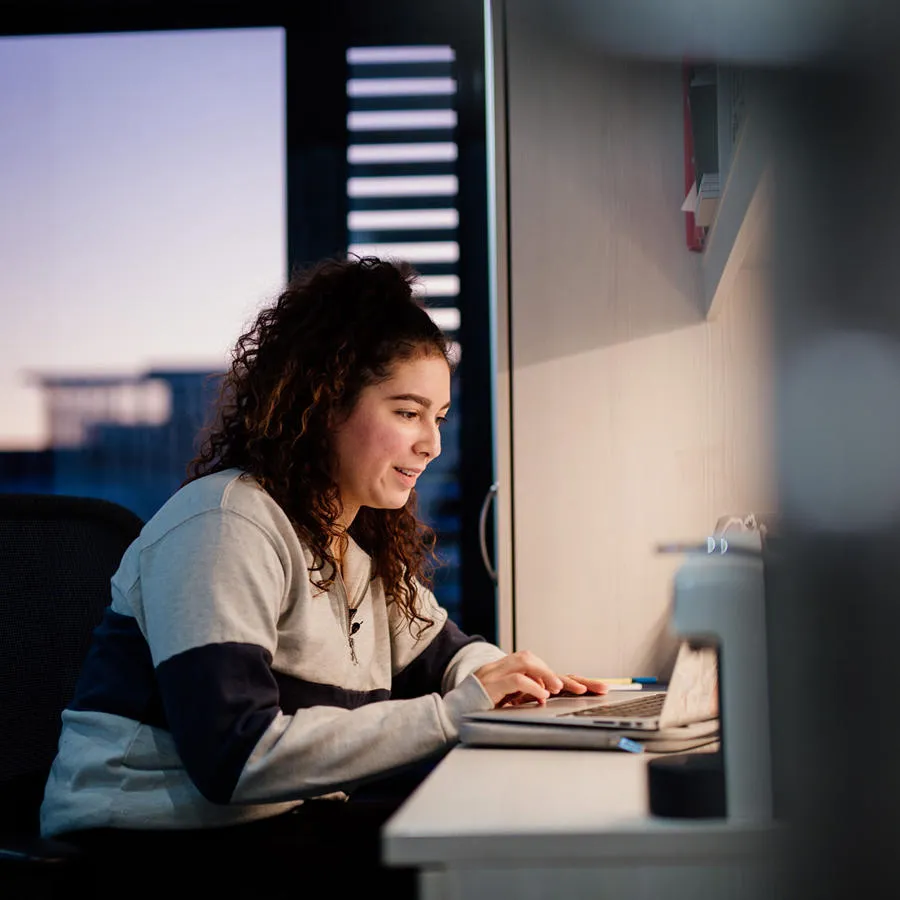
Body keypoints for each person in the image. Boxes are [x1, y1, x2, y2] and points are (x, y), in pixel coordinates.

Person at [40, 256, 606, 897]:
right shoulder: (227, 524)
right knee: (480, 859)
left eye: (438, 417)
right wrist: (458, 713)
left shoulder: (352, 548)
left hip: (264, 826)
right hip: (143, 843)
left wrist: (528, 685)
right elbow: (236, 755)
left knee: (500, 833)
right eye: (407, 412)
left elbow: (444, 657)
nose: (432, 445)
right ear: (326, 402)